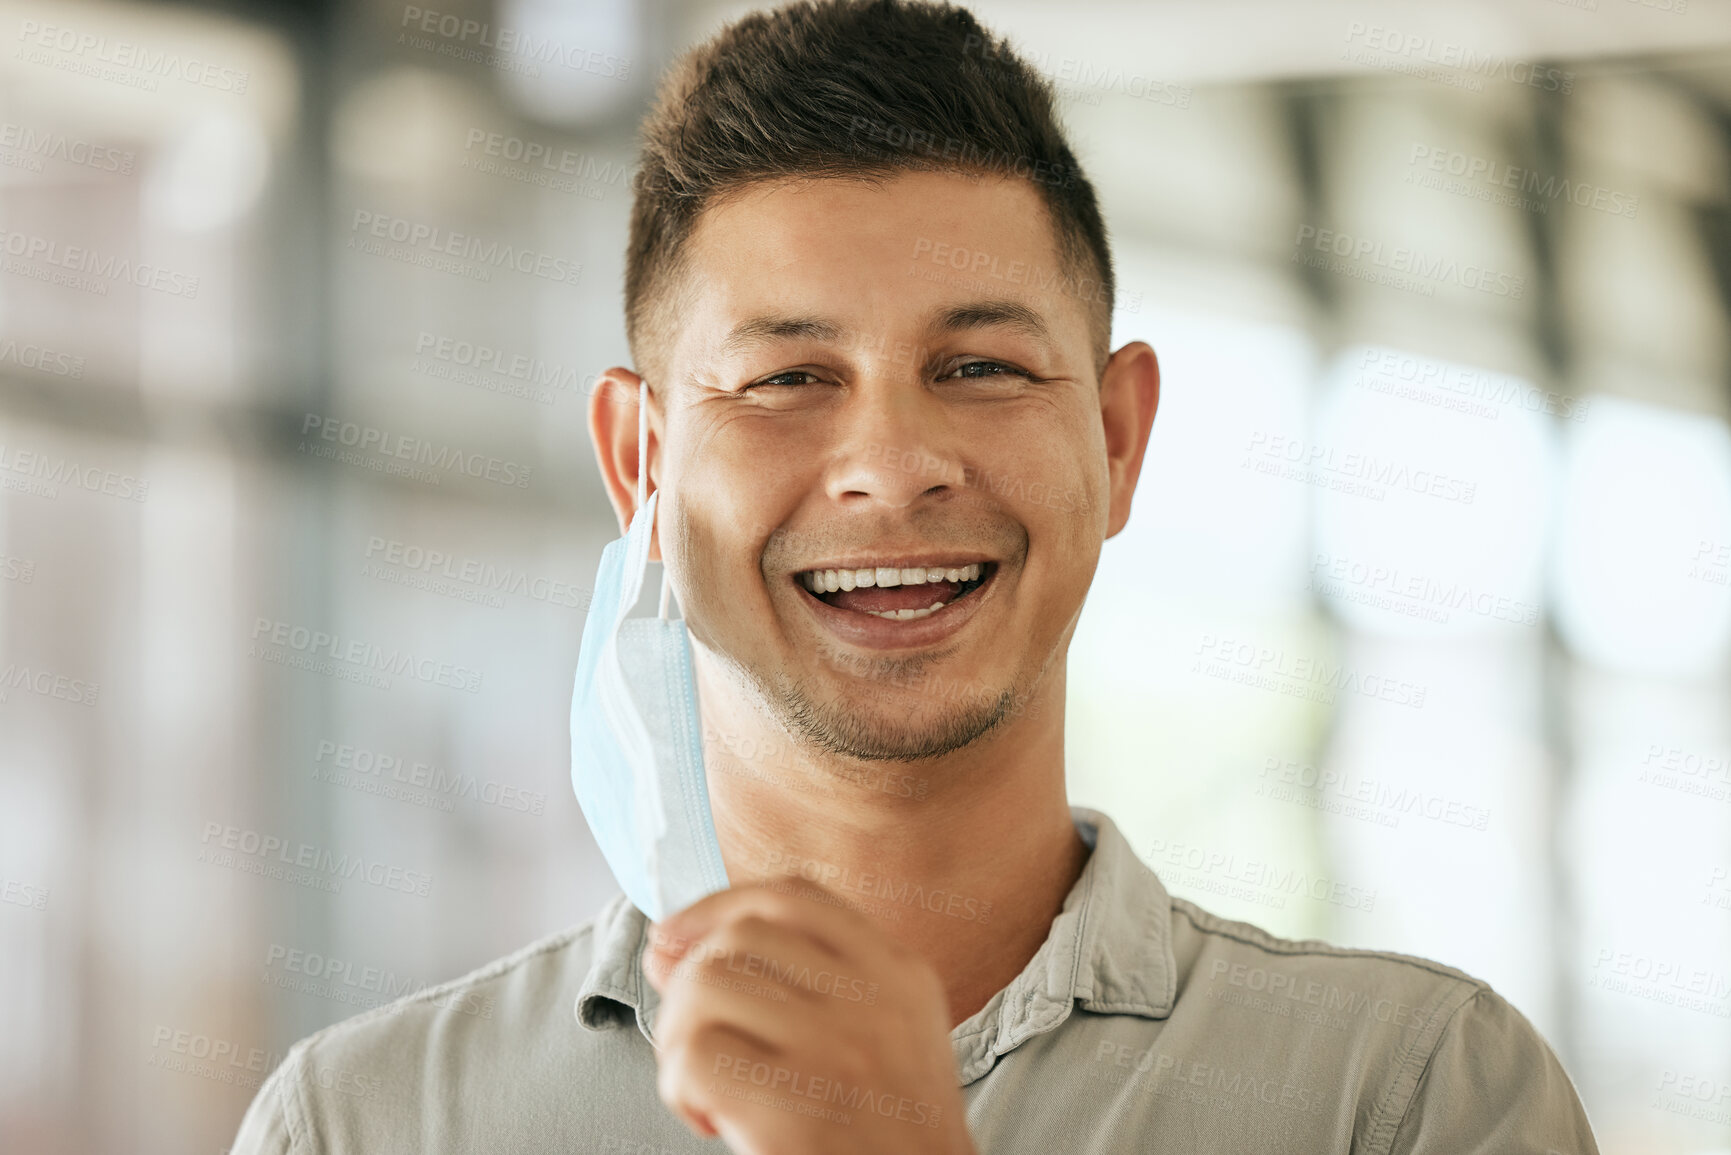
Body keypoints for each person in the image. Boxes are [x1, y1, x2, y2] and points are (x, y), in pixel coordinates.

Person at [232, 1, 1601, 1151]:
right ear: (641, 462)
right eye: (788, 379)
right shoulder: (369, 1125)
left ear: (1118, 439)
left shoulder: (1415, 1098)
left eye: (983, 368)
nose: (891, 467)